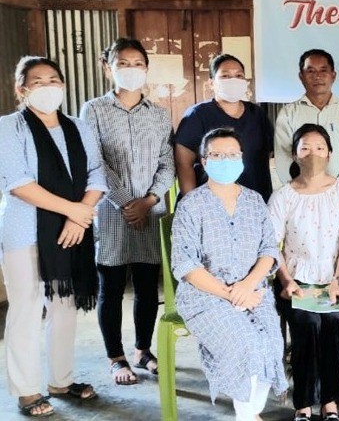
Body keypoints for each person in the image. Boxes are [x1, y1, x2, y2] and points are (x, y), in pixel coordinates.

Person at [0, 56, 106, 417]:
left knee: (64, 307)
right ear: (22, 89)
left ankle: (61, 381)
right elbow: (18, 184)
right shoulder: (9, 127)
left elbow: (96, 175)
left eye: (54, 80)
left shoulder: (79, 127)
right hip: (25, 231)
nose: (48, 87)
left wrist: (80, 216)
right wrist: (73, 211)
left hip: (73, 231)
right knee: (27, 309)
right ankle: (27, 391)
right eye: (38, 81)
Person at [170, 127, 287, 420]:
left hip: (252, 290)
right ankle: (246, 415)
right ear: (204, 162)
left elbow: (269, 251)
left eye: (232, 155)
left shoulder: (254, 200)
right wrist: (231, 294)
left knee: (271, 340)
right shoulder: (191, 205)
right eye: (217, 155)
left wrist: (247, 286)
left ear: (242, 159)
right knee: (243, 342)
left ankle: (251, 411)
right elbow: (186, 265)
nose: (225, 160)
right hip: (205, 296)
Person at [80, 38, 176, 386]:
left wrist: (148, 201)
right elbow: (95, 163)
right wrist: (125, 202)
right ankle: (115, 357)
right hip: (111, 212)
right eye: (123, 63)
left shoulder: (160, 114)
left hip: (150, 213)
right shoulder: (93, 110)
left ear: (146, 69)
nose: (131, 70)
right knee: (112, 286)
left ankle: (142, 349)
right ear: (108, 68)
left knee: (149, 287)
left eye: (137, 63)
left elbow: (168, 163)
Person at [269, 124, 339, 421]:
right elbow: (272, 246)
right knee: (306, 325)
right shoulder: (283, 196)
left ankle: (330, 403)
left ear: (330, 153)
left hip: (332, 281)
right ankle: (302, 404)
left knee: (332, 325)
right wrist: (287, 281)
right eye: (305, 147)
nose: (313, 153)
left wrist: (337, 279)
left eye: (320, 147)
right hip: (297, 281)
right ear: (294, 154)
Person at [175, 54, 274, 201]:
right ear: (211, 83)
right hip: (209, 202)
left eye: (239, 76)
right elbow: (183, 164)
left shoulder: (257, 114)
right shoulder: (198, 115)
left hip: (254, 200)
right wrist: (192, 202)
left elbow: (267, 153)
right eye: (225, 76)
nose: (233, 81)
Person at [274, 49, 339, 186]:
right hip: (302, 193)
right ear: (301, 76)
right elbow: (283, 158)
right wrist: (298, 187)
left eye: (323, 70)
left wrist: (337, 186)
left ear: (333, 75)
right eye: (311, 71)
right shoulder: (288, 114)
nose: (317, 76)